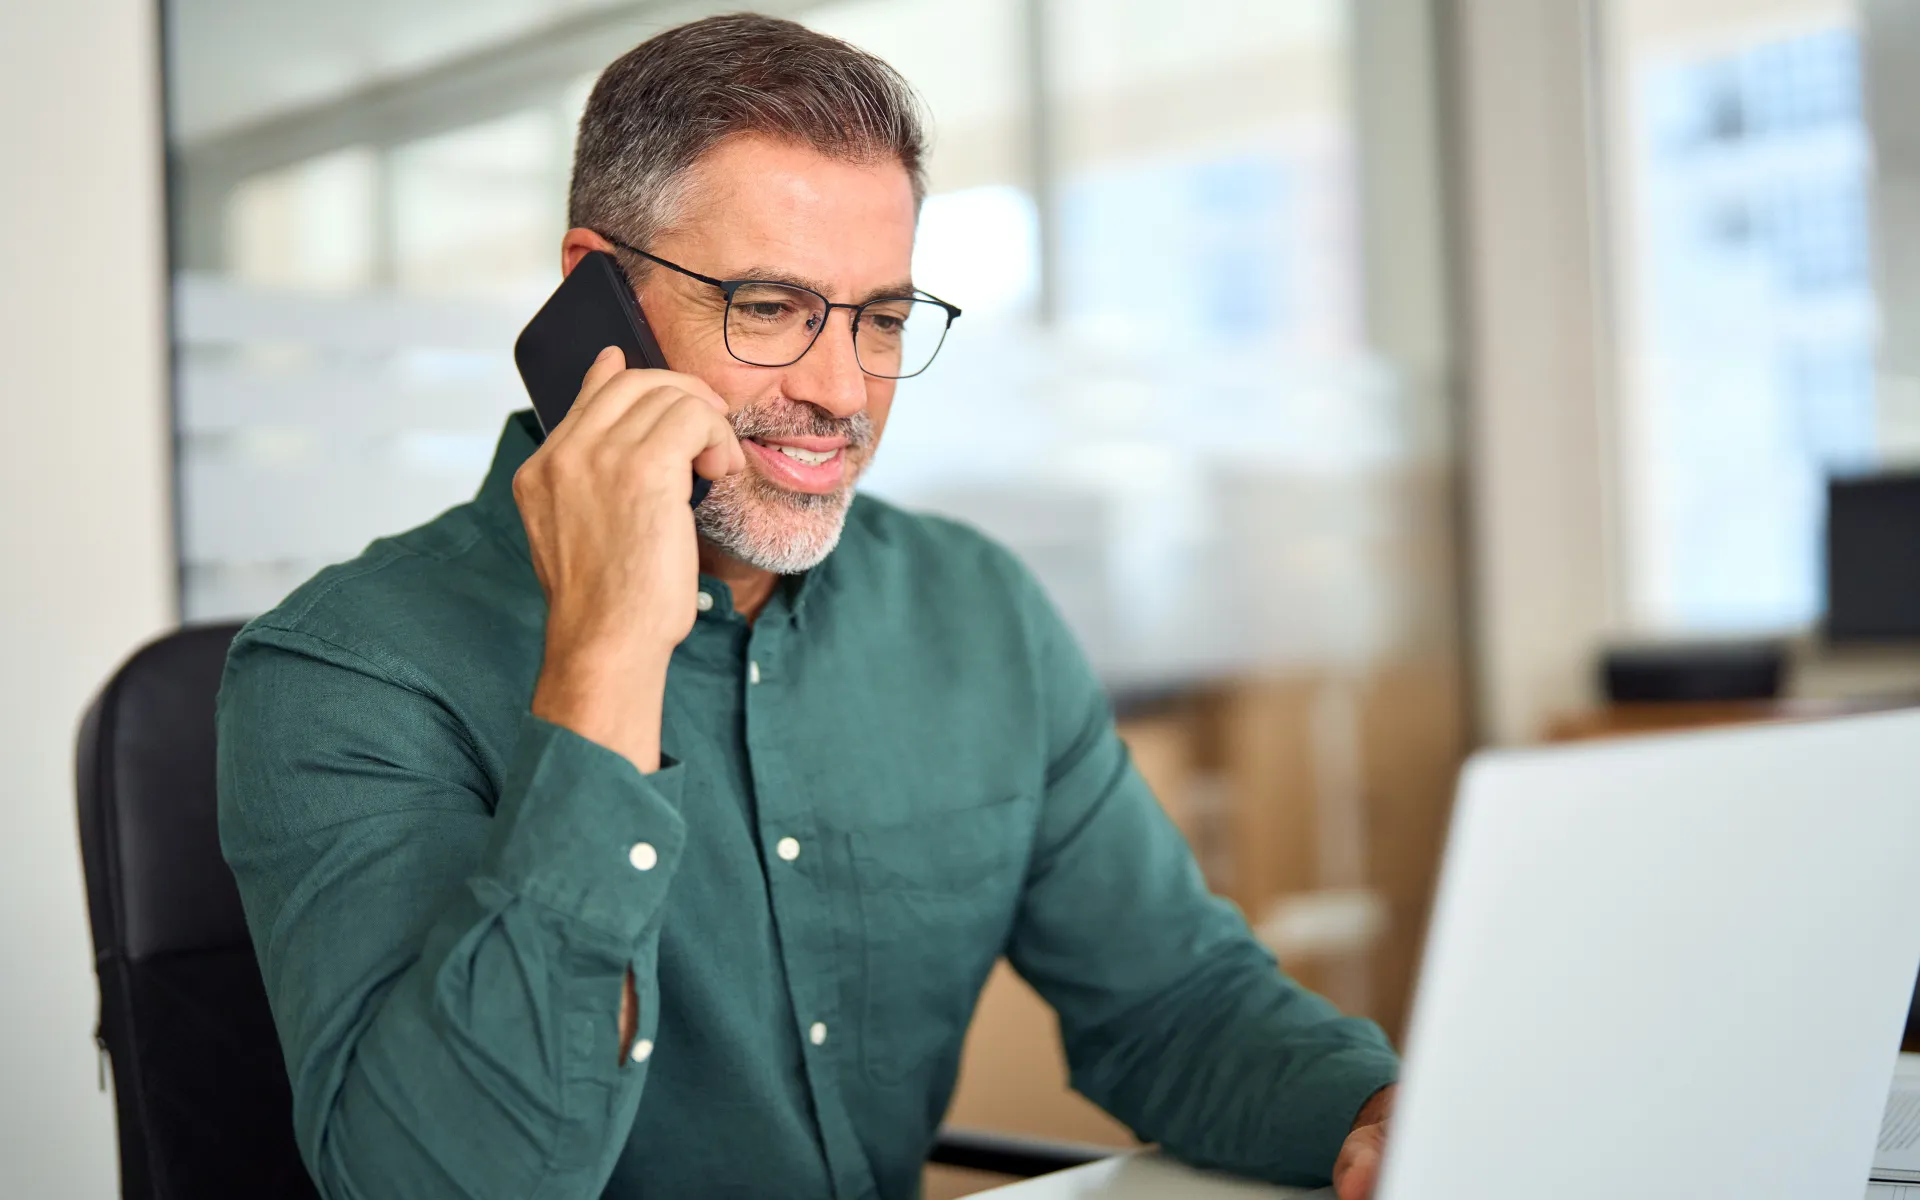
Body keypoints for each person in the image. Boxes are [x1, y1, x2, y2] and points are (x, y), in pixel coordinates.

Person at [216, 13, 1399, 1199]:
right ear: (597, 296)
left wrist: (1375, 1112)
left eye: (881, 319)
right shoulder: (347, 672)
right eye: (769, 308)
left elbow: (1175, 1001)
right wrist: (607, 654)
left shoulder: (973, 612)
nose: (841, 392)